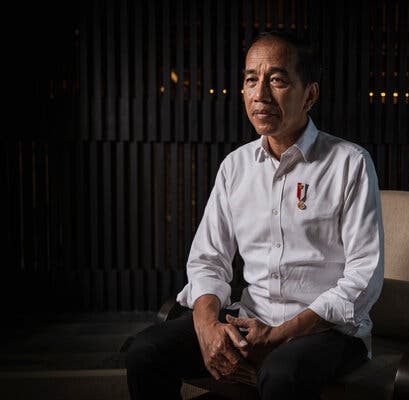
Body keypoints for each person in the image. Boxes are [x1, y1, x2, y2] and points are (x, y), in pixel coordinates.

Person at [126, 30, 384, 400]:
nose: (260, 94)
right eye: (251, 80)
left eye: (277, 80)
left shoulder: (351, 164)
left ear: (310, 94)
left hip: (328, 332)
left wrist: (279, 335)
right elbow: (207, 260)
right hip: (251, 319)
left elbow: (364, 277)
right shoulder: (235, 167)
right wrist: (207, 328)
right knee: (144, 352)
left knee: (281, 374)